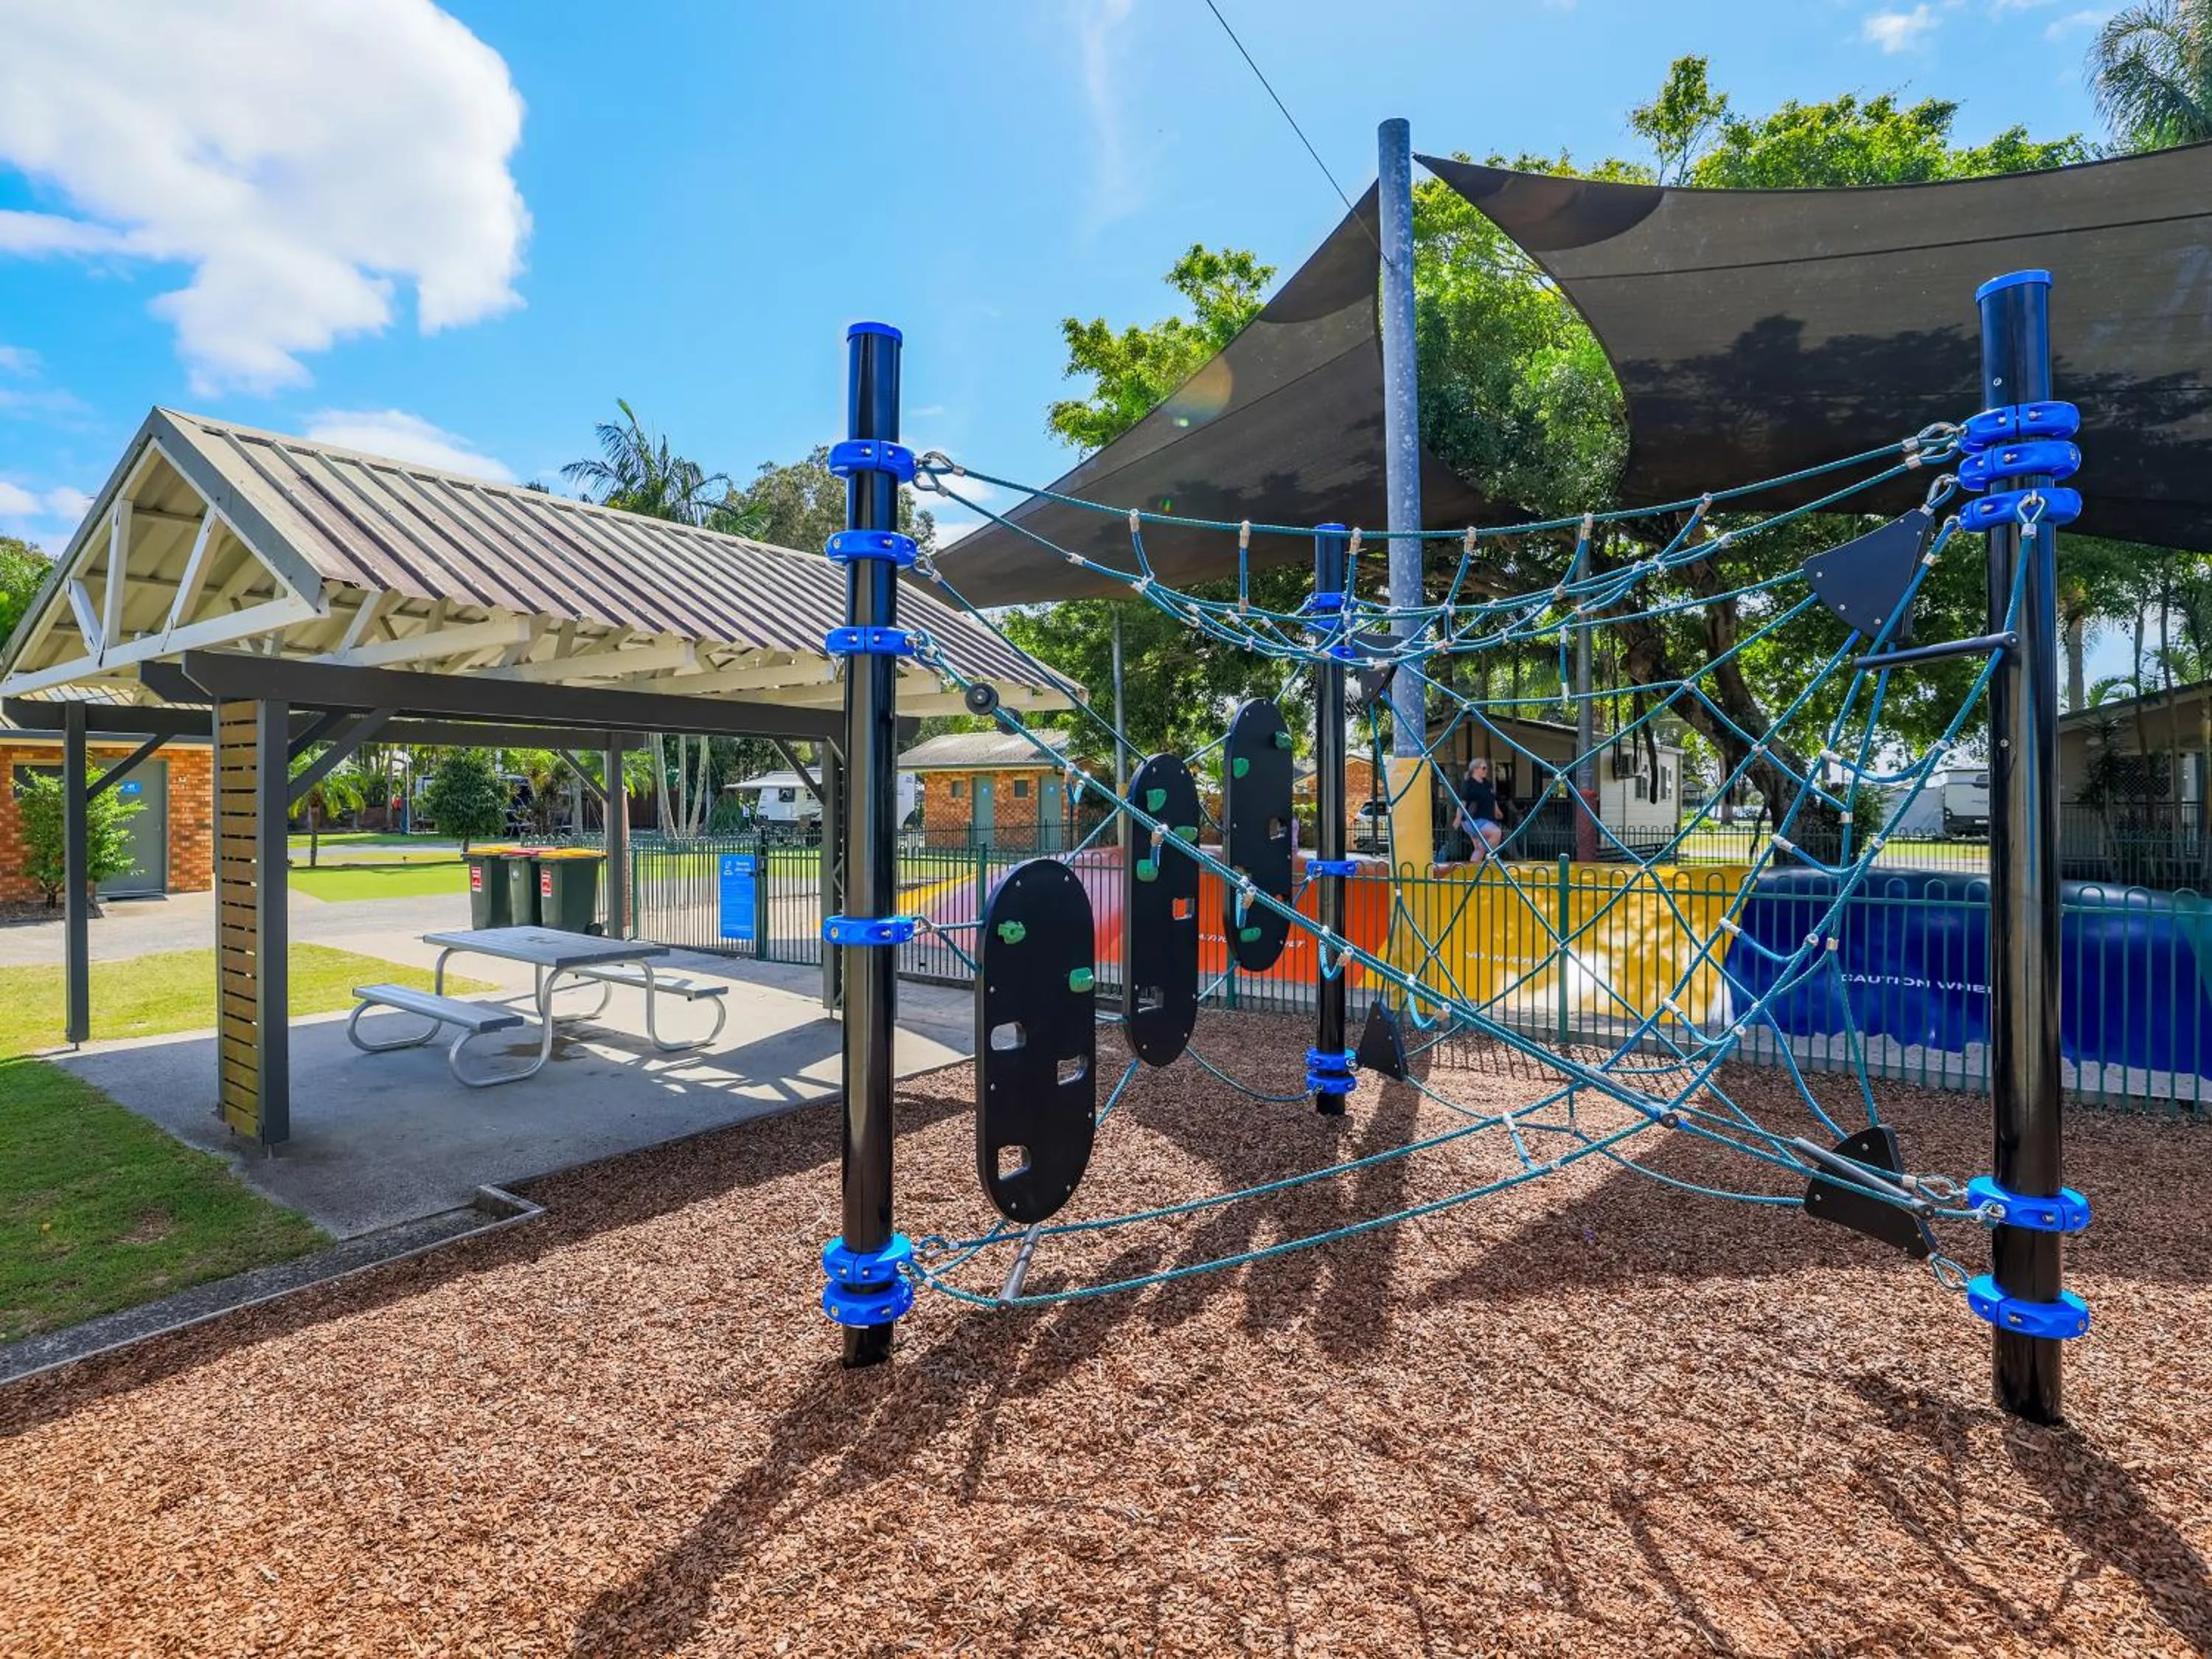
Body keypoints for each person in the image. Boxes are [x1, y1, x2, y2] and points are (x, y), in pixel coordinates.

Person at [1457, 757, 1509, 865]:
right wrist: (1458, 819)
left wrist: (1497, 810)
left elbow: (1491, 798)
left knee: (1479, 848)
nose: (1486, 770)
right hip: (1473, 820)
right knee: (1496, 833)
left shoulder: (1486, 783)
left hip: (1483, 819)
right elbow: (1463, 802)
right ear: (1475, 769)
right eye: (1484, 768)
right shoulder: (1469, 784)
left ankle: (1476, 869)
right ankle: (1490, 858)